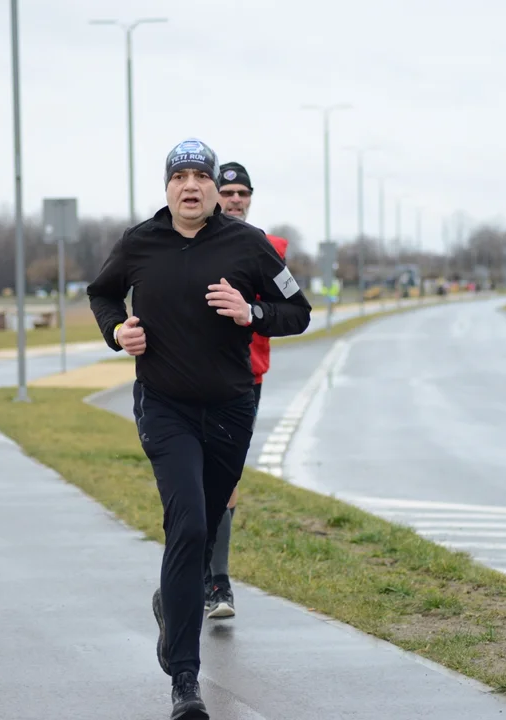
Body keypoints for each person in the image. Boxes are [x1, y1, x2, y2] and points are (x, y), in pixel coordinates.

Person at [87, 138, 311, 719]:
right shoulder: (140, 242)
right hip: (166, 408)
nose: (191, 186)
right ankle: (185, 680)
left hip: (231, 409)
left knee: (205, 527)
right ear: (167, 188)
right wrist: (117, 333)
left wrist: (251, 313)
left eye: (201, 177)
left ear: (216, 190)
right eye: (179, 176)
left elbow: (299, 311)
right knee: (186, 522)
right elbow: (103, 292)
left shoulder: (249, 245)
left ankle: (173, 598)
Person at [202, 162, 290, 621]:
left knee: (227, 480)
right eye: (228, 191)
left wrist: (251, 311)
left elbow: (289, 308)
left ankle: (218, 581)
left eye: (243, 193)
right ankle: (199, 572)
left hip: (246, 379)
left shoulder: (265, 248)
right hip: (188, 379)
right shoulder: (190, 244)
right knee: (192, 482)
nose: (235, 199)